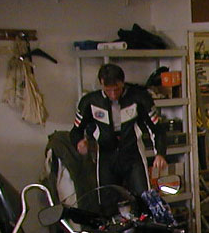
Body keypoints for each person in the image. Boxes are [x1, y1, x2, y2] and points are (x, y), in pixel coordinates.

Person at [70, 63, 167, 212]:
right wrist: (79, 142)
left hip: (132, 154)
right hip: (106, 156)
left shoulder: (140, 98)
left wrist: (160, 153)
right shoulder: (89, 102)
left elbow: (157, 129)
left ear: (122, 83)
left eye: (116, 89)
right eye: (108, 90)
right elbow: (76, 131)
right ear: (101, 84)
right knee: (107, 204)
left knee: (144, 200)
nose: (113, 94)